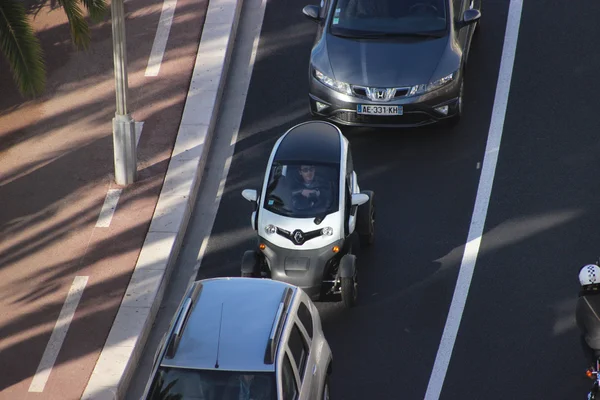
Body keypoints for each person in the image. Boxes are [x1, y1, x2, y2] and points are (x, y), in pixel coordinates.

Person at [576, 264, 600, 367]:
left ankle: (591, 365)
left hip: (596, 342)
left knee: (583, 336)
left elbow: (581, 324)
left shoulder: (582, 302)